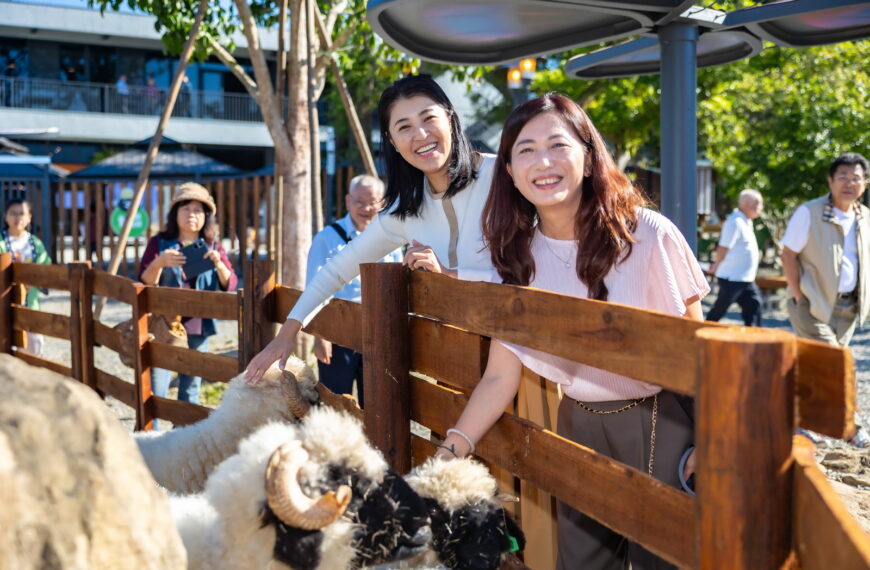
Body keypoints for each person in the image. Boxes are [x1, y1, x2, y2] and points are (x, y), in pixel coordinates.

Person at [435, 94, 709, 569]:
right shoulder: (518, 256)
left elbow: (702, 351)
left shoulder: (648, 234)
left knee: (664, 561)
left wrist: (710, 442)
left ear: (587, 156)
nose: (543, 162)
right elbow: (500, 375)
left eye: (558, 145)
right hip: (576, 423)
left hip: (660, 424)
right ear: (509, 172)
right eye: (525, 150)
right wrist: (450, 449)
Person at [244, 74, 496, 384]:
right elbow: (335, 273)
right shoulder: (404, 211)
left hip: (526, 357)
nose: (420, 134)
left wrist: (449, 276)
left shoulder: (503, 177)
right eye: (404, 127)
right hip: (454, 366)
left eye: (429, 118)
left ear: (450, 117)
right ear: (391, 141)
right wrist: (285, 336)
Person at [781, 152, 870, 448]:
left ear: (865, 182)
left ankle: (811, 423)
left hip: (849, 308)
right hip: (811, 305)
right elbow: (788, 253)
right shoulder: (810, 212)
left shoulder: (865, 218)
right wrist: (797, 294)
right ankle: (850, 427)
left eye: (856, 177)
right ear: (830, 181)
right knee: (837, 363)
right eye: (843, 177)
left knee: (819, 366)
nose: (849, 183)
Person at [307, 175, 402, 407]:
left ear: (383, 203)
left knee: (378, 402)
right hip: (337, 331)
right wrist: (320, 336)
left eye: (373, 202)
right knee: (335, 403)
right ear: (348, 201)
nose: (366, 208)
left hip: (379, 330)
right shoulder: (327, 238)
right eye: (360, 202)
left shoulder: (391, 238)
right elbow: (313, 288)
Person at [139, 183, 237, 406]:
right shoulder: (159, 243)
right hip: (164, 323)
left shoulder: (213, 246)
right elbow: (145, 282)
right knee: (156, 386)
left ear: (206, 217)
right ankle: (150, 435)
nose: (191, 214)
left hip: (199, 324)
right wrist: (159, 262)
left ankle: (183, 435)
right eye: (186, 208)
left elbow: (229, 284)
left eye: (197, 210)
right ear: (175, 214)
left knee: (191, 386)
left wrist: (219, 263)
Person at [0, 199, 51, 356]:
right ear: (5, 217)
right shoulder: (1, 242)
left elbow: (46, 269)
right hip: (3, 306)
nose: (17, 218)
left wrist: (34, 281)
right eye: (13, 213)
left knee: (34, 347)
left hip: (30, 304)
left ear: (29, 217)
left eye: (21, 213)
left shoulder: (36, 244)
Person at [706, 189, 764, 326]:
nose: (760, 207)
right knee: (718, 311)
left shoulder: (746, 222)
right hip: (731, 278)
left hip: (745, 278)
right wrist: (716, 265)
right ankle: (699, 334)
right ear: (748, 204)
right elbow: (723, 247)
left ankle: (754, 341)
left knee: (755, 307)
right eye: (758, 203)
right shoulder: (735, 222)